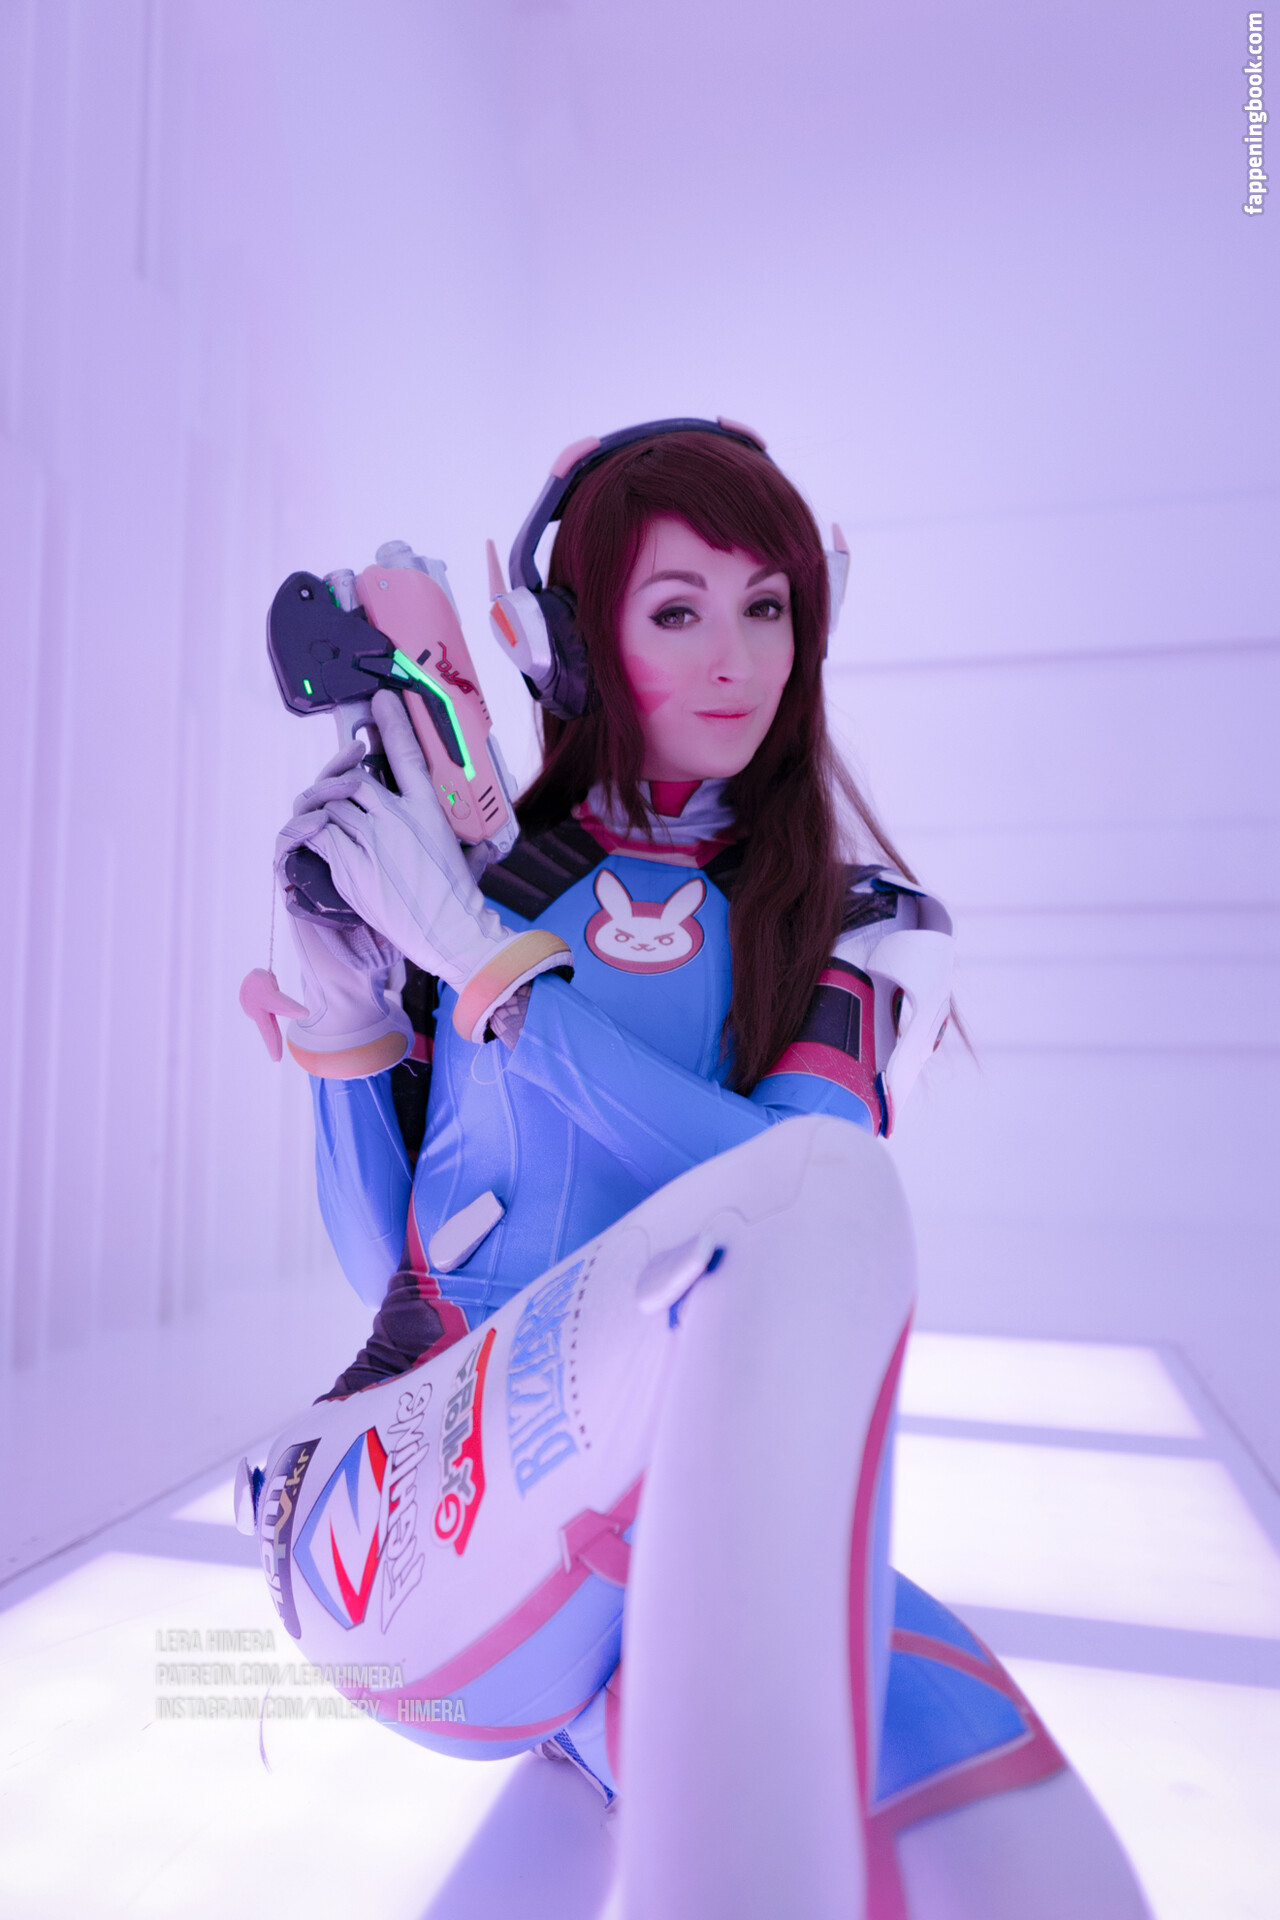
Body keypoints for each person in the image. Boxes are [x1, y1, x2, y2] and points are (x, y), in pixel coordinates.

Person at [247, 423, 1149, 1919]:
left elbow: (793, 1198)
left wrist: (486, 970)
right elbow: (396, 1284)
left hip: (660, 1542)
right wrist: (351, 1018)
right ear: (572, 638)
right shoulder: (489, 878)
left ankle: (614, 1755)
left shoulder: (856, 928)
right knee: (831, 1207)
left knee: (1019, 1847)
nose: (737, 659)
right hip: (398, 1512)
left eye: (767, 605)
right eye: (676, 610)